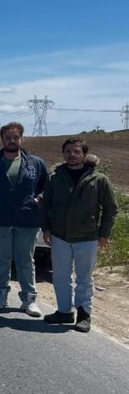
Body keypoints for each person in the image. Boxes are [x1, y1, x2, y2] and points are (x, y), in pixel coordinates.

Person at [41, 138, 118, 332]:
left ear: (84, 154)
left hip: (88, 237)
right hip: (59, 235)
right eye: (68, 152)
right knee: (60, 275)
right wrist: (46, 228)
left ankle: (84, 315)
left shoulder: (99, 180)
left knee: (84, 277)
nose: (72, 155)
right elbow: (46, 205)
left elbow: (110, 208)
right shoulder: (55, 178)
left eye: (76, 152)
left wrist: (104, 234)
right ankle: (64, 311)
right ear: (63, 154)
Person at [0, 122, 47, 316]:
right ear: (2, 139)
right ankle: (1, 294)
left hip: (27, 220)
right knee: (1, 259)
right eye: (8, 137)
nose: (12, 141)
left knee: (25, 261)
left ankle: (29, 299)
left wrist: (40, 199)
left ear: (21, 139)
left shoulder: (36, 163)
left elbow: (47, 188)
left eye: (15, 137)